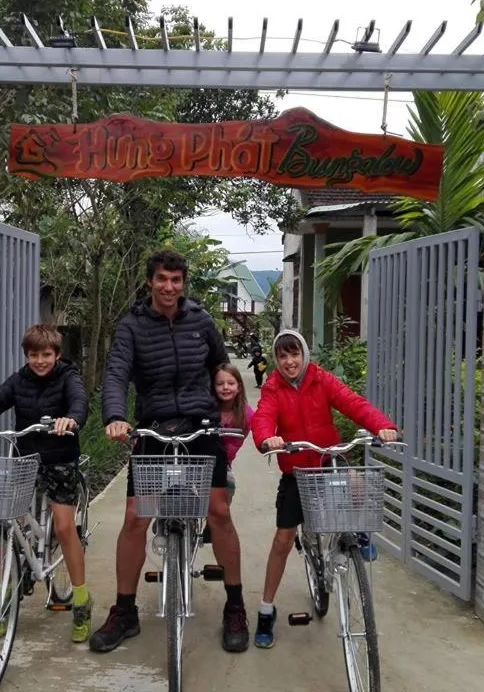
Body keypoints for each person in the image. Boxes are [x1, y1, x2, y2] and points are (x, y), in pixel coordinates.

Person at [90, 249, 250, 654]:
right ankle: (124, 611)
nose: (169, 287)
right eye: (162, 279)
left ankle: (236, 605)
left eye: (176, 280)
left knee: (218, 511)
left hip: (200, 425)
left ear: (184, 283)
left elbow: (221, 366)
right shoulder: (131, 326)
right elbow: (116, 373)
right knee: (134, 517)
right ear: (150, 281)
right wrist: (114, 415)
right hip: (153, 427)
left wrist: (226, 407)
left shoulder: (201, 321)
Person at [0, 324, 92, 644]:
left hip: (60, 458)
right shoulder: (20, 380)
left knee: (65, 527)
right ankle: (4, 601)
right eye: (33, 355)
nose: (39, 361)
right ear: (26, 356)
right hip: (25, 460)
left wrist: (72, 419)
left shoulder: (68, 377)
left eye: (46, 355)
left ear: (57, 355)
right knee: (6, 526)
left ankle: (81, 601)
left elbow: (80, 402)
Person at [250, 329, 398, 649]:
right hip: (296, 471)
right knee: (283, 539)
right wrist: (267, 438)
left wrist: (382, 425)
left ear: (304, 355)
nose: (290, 361)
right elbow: (263, 418)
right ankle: (266, 609)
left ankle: (358, 535)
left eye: (295, 354)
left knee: (357, 482)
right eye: (283, 356)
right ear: (276, 359)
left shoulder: (321, 380)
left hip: (328, 462)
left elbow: (353, 403)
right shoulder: (273, 388)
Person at [214, 362, 255, 504]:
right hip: (200, 460)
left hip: (223, 462)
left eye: (230, 383)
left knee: (228, 485)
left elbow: (236, 443)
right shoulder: (207, 409)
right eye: (220, 384)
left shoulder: (246, 414)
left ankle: (214, 523)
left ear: (239, 387)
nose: (225, 387)